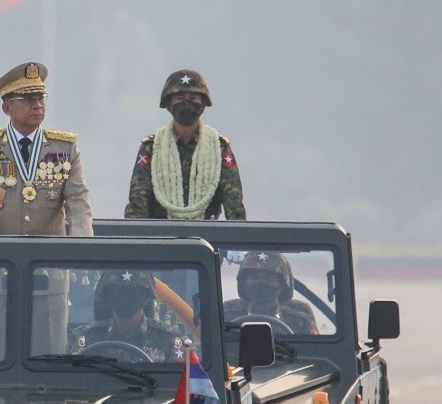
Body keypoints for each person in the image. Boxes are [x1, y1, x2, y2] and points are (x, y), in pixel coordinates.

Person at [0, 62, 91, 356]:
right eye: (28, 100)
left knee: (51, 352)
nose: (38, 106)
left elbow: (78, 201)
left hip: (50, 270)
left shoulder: (64, 147)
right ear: (7, 108)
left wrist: (81, 244)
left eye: (41, 99)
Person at [125, 69, 245, 220]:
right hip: (161, 236)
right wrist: (139, 237)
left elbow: (233, 200)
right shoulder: (152, 148)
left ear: (202, 104)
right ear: (169, 103)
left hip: (209, 236)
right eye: (180, 98)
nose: (187, 103)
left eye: (193, 98)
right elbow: (138, 199)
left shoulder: (219, 148)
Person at [68, 270, 185, 363]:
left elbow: (185, 385)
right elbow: (71, 383)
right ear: (106, 295)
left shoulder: (168, 338)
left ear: (146, 296)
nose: (126, 296)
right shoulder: (86, 338)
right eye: (118, 290)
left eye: (133, 291)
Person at [223, 252, 319, 335]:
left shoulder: (301, 320)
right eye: (254, 277)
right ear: (244, 283)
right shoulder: (226, 315)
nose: (260, 282)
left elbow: (315, 351)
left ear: (282, 283)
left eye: (268, 278)